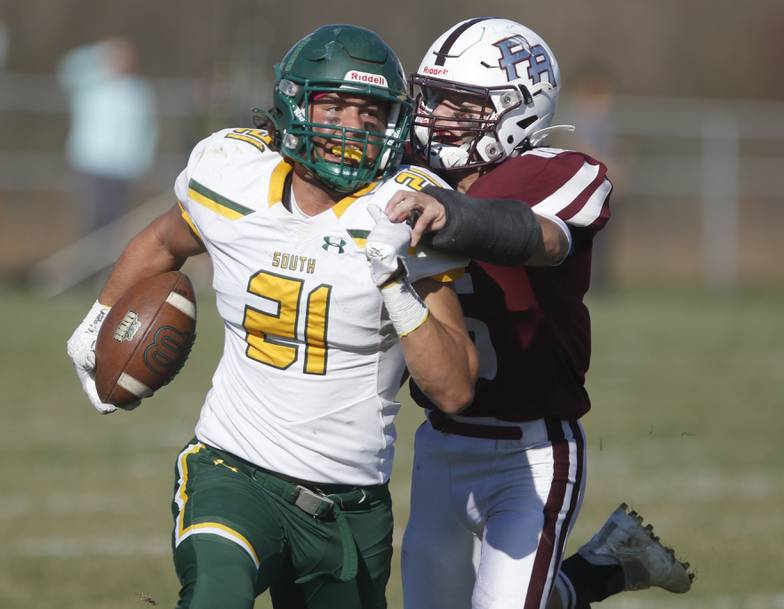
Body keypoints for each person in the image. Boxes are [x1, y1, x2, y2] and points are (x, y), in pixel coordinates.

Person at [66, 24, 477, 609]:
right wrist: (98, 322)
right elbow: (163, 241)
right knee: (216, 593)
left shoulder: (405, 216)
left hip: (350, 504)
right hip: (231, 471)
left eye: (371, 111)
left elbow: (455, 388)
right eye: (334, 105)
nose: (352, 126)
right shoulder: (235, 180)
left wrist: (393, 280)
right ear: (294, 104)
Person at [381, 18, 693, 609]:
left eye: (462, 104)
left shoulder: (556, 172)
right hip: (439, 444)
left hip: (529, 452)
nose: (437, 116)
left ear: (518, 110)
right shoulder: (407, 175)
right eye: (434, 98)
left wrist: (448, 215)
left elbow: (541, 238)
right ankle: (602, 569)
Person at [58, 37, 158, 234]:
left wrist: (144, 160)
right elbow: (67, 68)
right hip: (92, 162)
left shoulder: (138, 90)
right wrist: (100, 51)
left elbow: (149, 128)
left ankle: (108, 263)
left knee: (115, 220)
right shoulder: (90, 84)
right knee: (92, 217)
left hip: (124, 166)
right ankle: (87, 262)